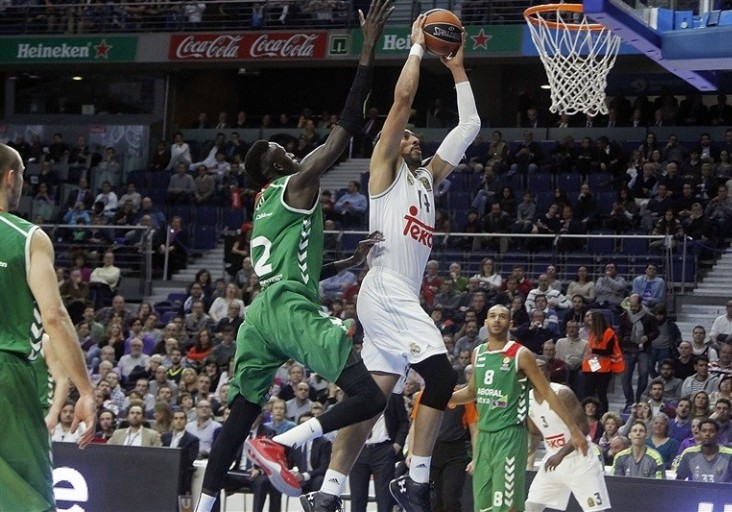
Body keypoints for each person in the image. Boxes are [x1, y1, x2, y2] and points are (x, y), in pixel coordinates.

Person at [193, 5, 394, 511]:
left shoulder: (267, 206)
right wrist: (367, 48)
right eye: (283, 151)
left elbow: (299, 266)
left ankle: (207, 503)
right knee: (369, 397)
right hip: (285, 307)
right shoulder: (295, 183)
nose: (291, 151)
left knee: (240, 412)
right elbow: (345, 129)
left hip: (259, 314)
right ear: (275, 166)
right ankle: (281, 443)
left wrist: (349, 262)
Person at [299, 16, 482, 512]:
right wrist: (419, 48)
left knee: (371, 402)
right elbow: (401, 102)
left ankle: (329, 492)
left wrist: (459, 70)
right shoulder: (384, 169)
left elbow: (470, 127)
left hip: (395, 295)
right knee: (442, 380)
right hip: (386, 289)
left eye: (416, 137)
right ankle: (415, 483)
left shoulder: (428, 179)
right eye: (407, 137)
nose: (414, 139)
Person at [0, 143, 97, 511]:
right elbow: (53, 316)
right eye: (22, 174)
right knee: (31, 494)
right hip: (8, 375)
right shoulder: (27, 237)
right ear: (11, 177)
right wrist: (86, 391)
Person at [449, 305, 588, 512]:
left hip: (510, 436)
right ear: (485, 323)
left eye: (503, 317)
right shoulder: (478, 353)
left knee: (507, 504)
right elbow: (473, 391)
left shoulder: (520, 354)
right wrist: (446, 398)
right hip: (484, 437)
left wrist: (574, 430)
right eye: (492, 316)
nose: (497, 320)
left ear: (510, 324)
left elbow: (548, 393)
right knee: (483, 504)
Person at [526, 358, 611, 512]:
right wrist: (529, 451)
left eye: (541, 369)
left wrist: (560, 454)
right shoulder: (527, 399)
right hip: (552, 460)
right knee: (531, 506)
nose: (537, 372)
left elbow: (583, 428)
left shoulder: (562, 393)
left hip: (579, 459)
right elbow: (535, 432)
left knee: (595, 510)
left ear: (549, 374)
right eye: (534, 368)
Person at [676, 418, 732, 482]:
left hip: (723, 494)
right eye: (704, 431)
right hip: (695, 493)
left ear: (717, 434)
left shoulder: (731, 455)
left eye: (711, 431)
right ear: (699, 433)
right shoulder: (688, 454)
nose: (707, 434)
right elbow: (679, 483)